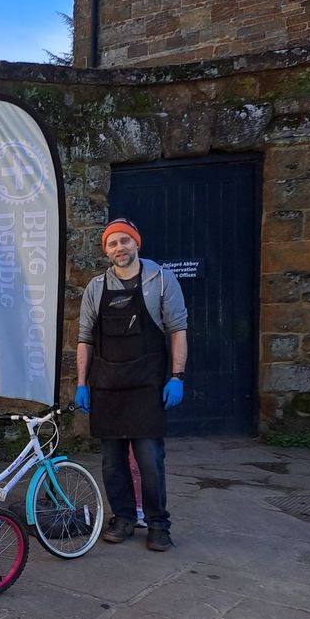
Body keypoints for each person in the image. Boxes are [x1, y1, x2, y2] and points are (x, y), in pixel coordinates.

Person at [74, 217, 188, 552]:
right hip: (107, 386)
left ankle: (158, 524)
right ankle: (122, 518)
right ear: (106, 251)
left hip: (146, 386)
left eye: (125, 241)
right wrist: (82, 383)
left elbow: (177, 330)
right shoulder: (96, 288)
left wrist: (177, 377)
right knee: (111, 462)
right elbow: (84, 338)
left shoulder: (162, 281)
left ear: (137, 243)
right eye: (112, 243)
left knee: (149, 459)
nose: (119, 248)